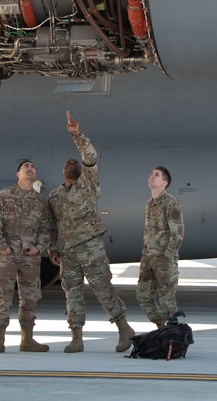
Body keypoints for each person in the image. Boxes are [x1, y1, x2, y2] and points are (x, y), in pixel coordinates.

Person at [48, 112, 135, 353]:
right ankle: (76, 337)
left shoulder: (87, 184)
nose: (72, 163)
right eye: (68, 162)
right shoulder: (55, 196)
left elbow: (89, 156)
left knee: (103, 288)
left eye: (74, 162)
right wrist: (52, 247)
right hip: (67, 252)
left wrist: (76, 134)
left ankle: (124, 329)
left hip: (90, 247)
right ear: (62, 171)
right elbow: (51, 224)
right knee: (72, 294)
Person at [0, 159, 50, 354]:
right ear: (18, 174)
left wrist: (39, 248)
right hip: (8, 255)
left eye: (33, 167)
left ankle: (27, 339)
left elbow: (46, 227)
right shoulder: (4, 196)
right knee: (3, 296)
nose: (30, 169)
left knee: (30, 298)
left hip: (30, 257)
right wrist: (1, 246)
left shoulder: (40, 201)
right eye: (26, 167)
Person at [137, 165, 185, 327]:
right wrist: (145, 254)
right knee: (143, 296)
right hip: (148, 258)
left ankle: (173, 333)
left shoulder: (171, 203)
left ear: (164, 183)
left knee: (167, 300)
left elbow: (178, 232)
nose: (151, 176)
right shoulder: (150, 203)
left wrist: (167, 256)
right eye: (151, 174)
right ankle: (162, 328)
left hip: (164, 259)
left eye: (156, 175)